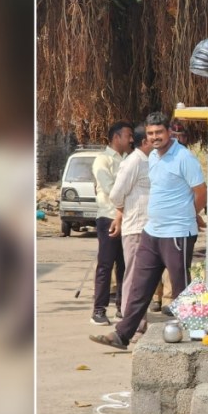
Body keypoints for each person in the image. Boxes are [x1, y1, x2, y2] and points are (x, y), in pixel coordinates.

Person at [89, 112, 207, 350]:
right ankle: (123, 335)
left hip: (177, 232)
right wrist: (121, 214)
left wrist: (187, 214)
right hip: (151, 231)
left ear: (169, 132)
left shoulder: (184, 158)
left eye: (159, 132)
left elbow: (201, 192)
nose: (155, 137)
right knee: (139, 285)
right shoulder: (152, 157)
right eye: (151, 133)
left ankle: (198, 330)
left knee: (180, 283)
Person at [90, 121, 133, 325]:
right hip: (108, 217)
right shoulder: (103, 160)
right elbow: (111, 189)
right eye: (128, 136)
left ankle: (122, 308)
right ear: (117, 137)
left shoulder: (130, 159)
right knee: (105, 265)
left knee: (124, 266)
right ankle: (98, 310)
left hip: (127, 218)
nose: (131, 140)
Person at [108, 125, 151, 319]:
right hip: (135, 227)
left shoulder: (149, 161)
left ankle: (136, 323)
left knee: (143, 279)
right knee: (133, 277)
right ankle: (129, 326)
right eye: (152, 136)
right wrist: (123, 211)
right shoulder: (134, 161)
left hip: (150, 228)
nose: (158, 140)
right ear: (144, 141)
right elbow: (116, 194)